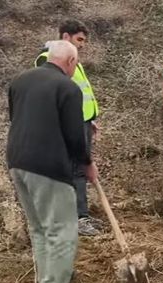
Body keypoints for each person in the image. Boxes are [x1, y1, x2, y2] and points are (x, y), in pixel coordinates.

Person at [8, 40, 98, 283]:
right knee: (62, 227)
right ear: (70, 62)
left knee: (39, 228)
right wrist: (87, 163)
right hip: (47, 166)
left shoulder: (21, 80)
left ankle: (49, 278)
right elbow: (74, 135)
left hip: (17, 162)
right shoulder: (67, 88)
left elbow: (18, 117)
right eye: (76, 64)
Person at [35, 19, 102, 237]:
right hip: (69, 125)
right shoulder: (50, 60)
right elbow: (58, 96)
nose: (82, 45)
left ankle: (79, 215)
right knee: (77, 169)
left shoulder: (73, 60)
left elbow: (79, 93)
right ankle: (78, 218)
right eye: (79, 39)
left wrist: (89, 118)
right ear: (66, 37)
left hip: (81, 121)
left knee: (78, 169)